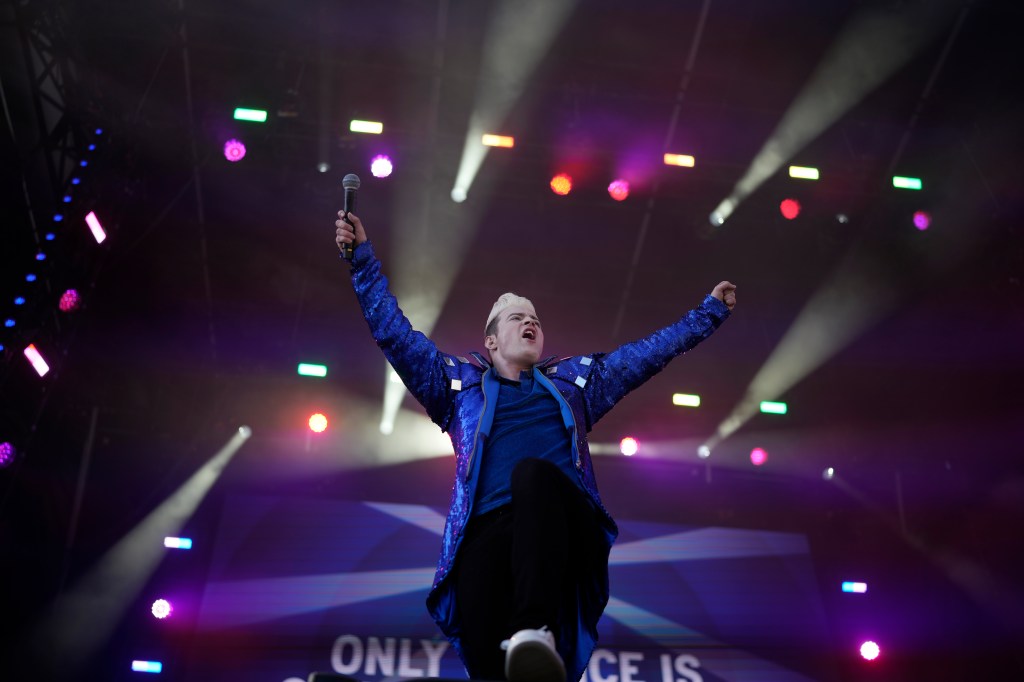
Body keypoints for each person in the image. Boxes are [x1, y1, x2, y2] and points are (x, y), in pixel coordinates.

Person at [335, 210, 736, 682]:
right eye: (516, 319)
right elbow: (393, 333)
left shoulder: (577, 383)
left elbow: (649, 353)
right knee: (486, 645)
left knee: (532, 476)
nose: (530, 323)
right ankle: (518, 653)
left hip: (563, 528)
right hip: (487, 536)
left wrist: (709, 313)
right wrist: (361, 258)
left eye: (535, 319)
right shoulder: (456, 388)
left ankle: (533, 629)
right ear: (491, 340)